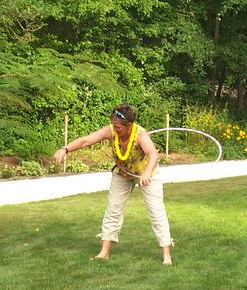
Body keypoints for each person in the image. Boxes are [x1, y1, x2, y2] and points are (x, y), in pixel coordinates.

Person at [53, 104, 173, 265]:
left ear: (129, 125)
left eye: (118, 127)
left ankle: (166, 254)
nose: (114, 129)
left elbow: (153, 154)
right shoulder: (110, 131)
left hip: (146, 173)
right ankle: (104, 252)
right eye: (113, 125)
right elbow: (86, 140)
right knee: (112, 210)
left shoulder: (140, 135)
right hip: (123, 173)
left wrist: (146, 173)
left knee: (156, 211)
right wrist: (65, 149)